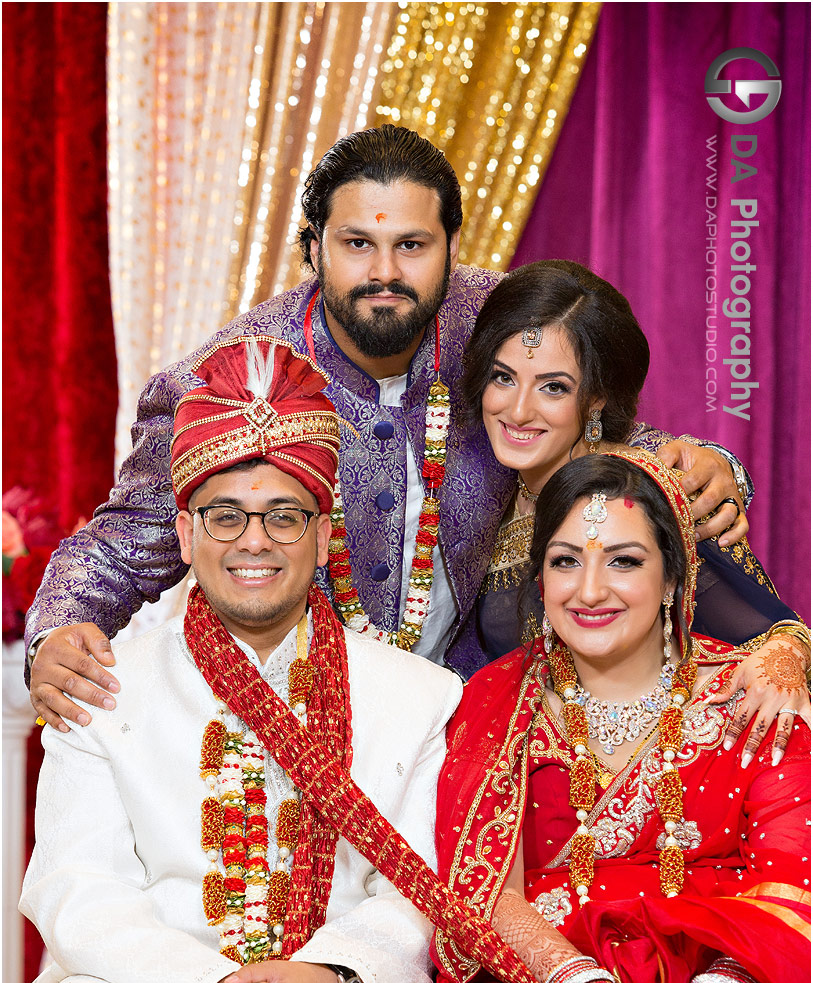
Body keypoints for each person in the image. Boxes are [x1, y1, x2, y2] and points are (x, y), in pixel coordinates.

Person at [27, 126, 749, 727]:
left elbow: (593, 429)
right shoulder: (228, 379)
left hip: (482, 714)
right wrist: (55, 633)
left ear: (451, 243)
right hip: (301, 719)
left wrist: (708, 466)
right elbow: (124, 542)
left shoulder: (499, 326)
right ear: (313, 248)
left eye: (411, 245)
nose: (384, 272)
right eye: (356, 245)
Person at [4, 336, 476, 983]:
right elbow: (77, 886)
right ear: (184, 531)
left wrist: (328, 980)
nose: (253, 542)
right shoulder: (101, 684)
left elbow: (416, 887)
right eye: (225, 515)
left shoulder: (416, 697)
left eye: (283, 516)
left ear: (323, 530)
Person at [433, 451, 810, 983]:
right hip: (547, 977)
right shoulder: (495, 701)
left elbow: (793, 875)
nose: (590, 590)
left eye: (625, 562)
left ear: (675, 578)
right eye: (565, 561)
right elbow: (478, 891)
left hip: (741, 971)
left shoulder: (750, 690)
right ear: (538, 578)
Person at [463, 259, 810, 751]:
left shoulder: (648, 492)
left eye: (554, 387)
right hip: (537, 780)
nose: (517, 410)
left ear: (597, 398)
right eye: (503, 378)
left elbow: (774, 634)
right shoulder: (491, 492)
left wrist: (783, 657)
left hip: (658, 772)